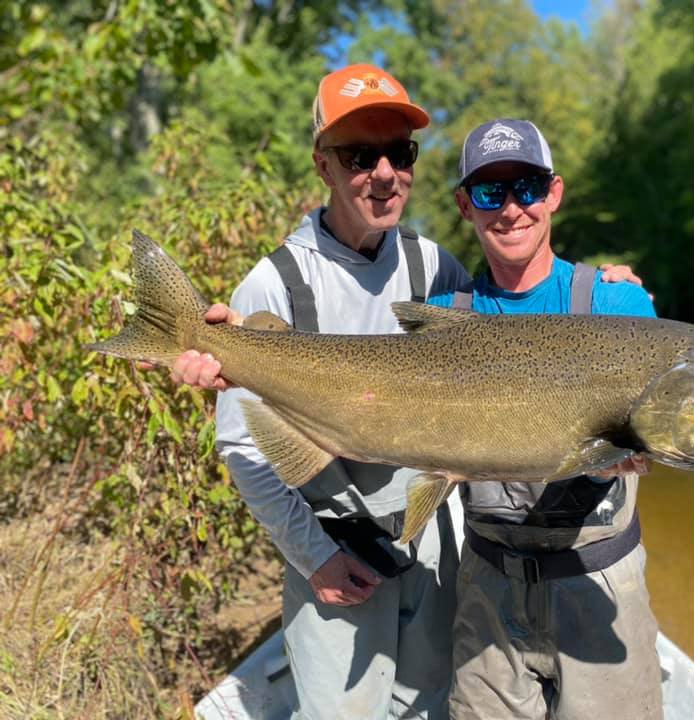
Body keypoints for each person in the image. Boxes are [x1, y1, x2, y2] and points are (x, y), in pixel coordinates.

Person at [169, 69, 645, 719]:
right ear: (324, 166)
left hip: (431, 548)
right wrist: (317, 559)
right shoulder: (274, 282)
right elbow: (241, 444)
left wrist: (622, 302)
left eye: (401, 153)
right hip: (335, 555)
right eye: (362, 156)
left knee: (427, 705)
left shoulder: (434, 269)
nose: (385, 172)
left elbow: (513, 323)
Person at [427, 118, 664, 720]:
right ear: (464, 205)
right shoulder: (438, 319)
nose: (511, 209)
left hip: (600, 580)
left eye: (527, 188)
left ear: (554, 193)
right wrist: (244, 350)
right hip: (487, 586)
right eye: (489, 192)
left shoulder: (617, 304)